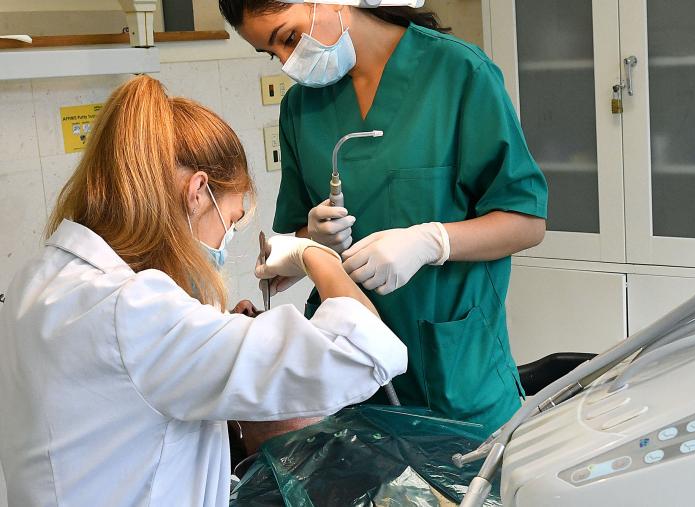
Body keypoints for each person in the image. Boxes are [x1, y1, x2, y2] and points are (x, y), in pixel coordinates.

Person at [0, 75, 406, 507]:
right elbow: (368, 348)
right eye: (230, 222)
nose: (225, 239)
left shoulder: (41, 277)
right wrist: (315, 254)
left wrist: (216, 336)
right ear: (197, 192)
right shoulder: (134, 312)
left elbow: (135, 381)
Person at [220, 0, 548, 435]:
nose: (285, 62)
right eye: (270, 53)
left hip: (452, 372)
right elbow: (300, 230)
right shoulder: (301, 107)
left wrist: (431, 242)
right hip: (347, 369)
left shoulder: (459, 74)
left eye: (289, 37)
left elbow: (526, 220)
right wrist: (314, 238)